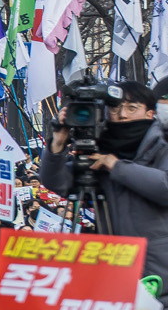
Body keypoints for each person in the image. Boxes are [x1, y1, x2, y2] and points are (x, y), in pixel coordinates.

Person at [38, 79, 168, 284]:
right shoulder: (99, 150)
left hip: (158, 271)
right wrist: (58, 143)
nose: (122, 114)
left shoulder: (163, 145)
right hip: (113, 268)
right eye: (115, 108)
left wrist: (116, 166)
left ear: (150, 113)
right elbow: (56, 182)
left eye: (132, 108)